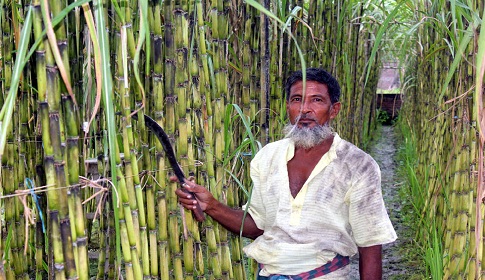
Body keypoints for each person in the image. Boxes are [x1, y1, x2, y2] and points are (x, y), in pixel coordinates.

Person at [175, 68, 397, 279]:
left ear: (334, 109)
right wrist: (211, 205)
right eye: (297, 99)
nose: (304, 109)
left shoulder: (358, 164)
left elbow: (370, 245)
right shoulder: (268, 157)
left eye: (316, 100)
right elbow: (256, 226)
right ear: (288, 106)